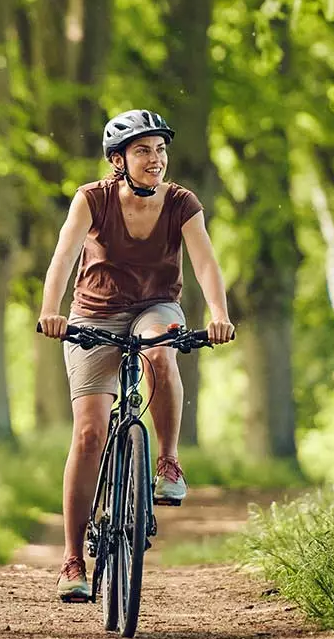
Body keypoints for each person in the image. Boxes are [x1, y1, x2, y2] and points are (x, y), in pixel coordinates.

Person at [35, 109, 236, 601]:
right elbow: (64, 255)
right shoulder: (93, 199)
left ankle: (167, 463)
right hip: (94, 313)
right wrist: (49, 310)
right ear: (119, 160)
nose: (155, 159)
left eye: (160, 149)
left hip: (155, 306)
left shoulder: (182, 203)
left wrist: (218, 312)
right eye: (143, 150)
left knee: (161, 353)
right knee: (88, 434)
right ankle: (72, 559)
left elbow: (205, 260)